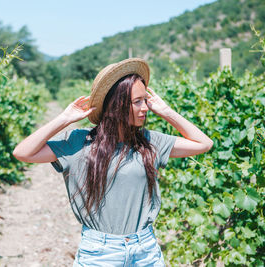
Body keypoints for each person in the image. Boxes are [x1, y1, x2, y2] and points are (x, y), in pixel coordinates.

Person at [13, 58, 213, 266]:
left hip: (145, 251)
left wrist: (166, 112)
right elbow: (23, 152)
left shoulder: (149, 142)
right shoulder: (79, 143)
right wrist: (64, 119)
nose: (145, 107)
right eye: (137, 102)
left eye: (145, 100)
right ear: (116, 105)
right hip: (99, 254)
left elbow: (204, 144)